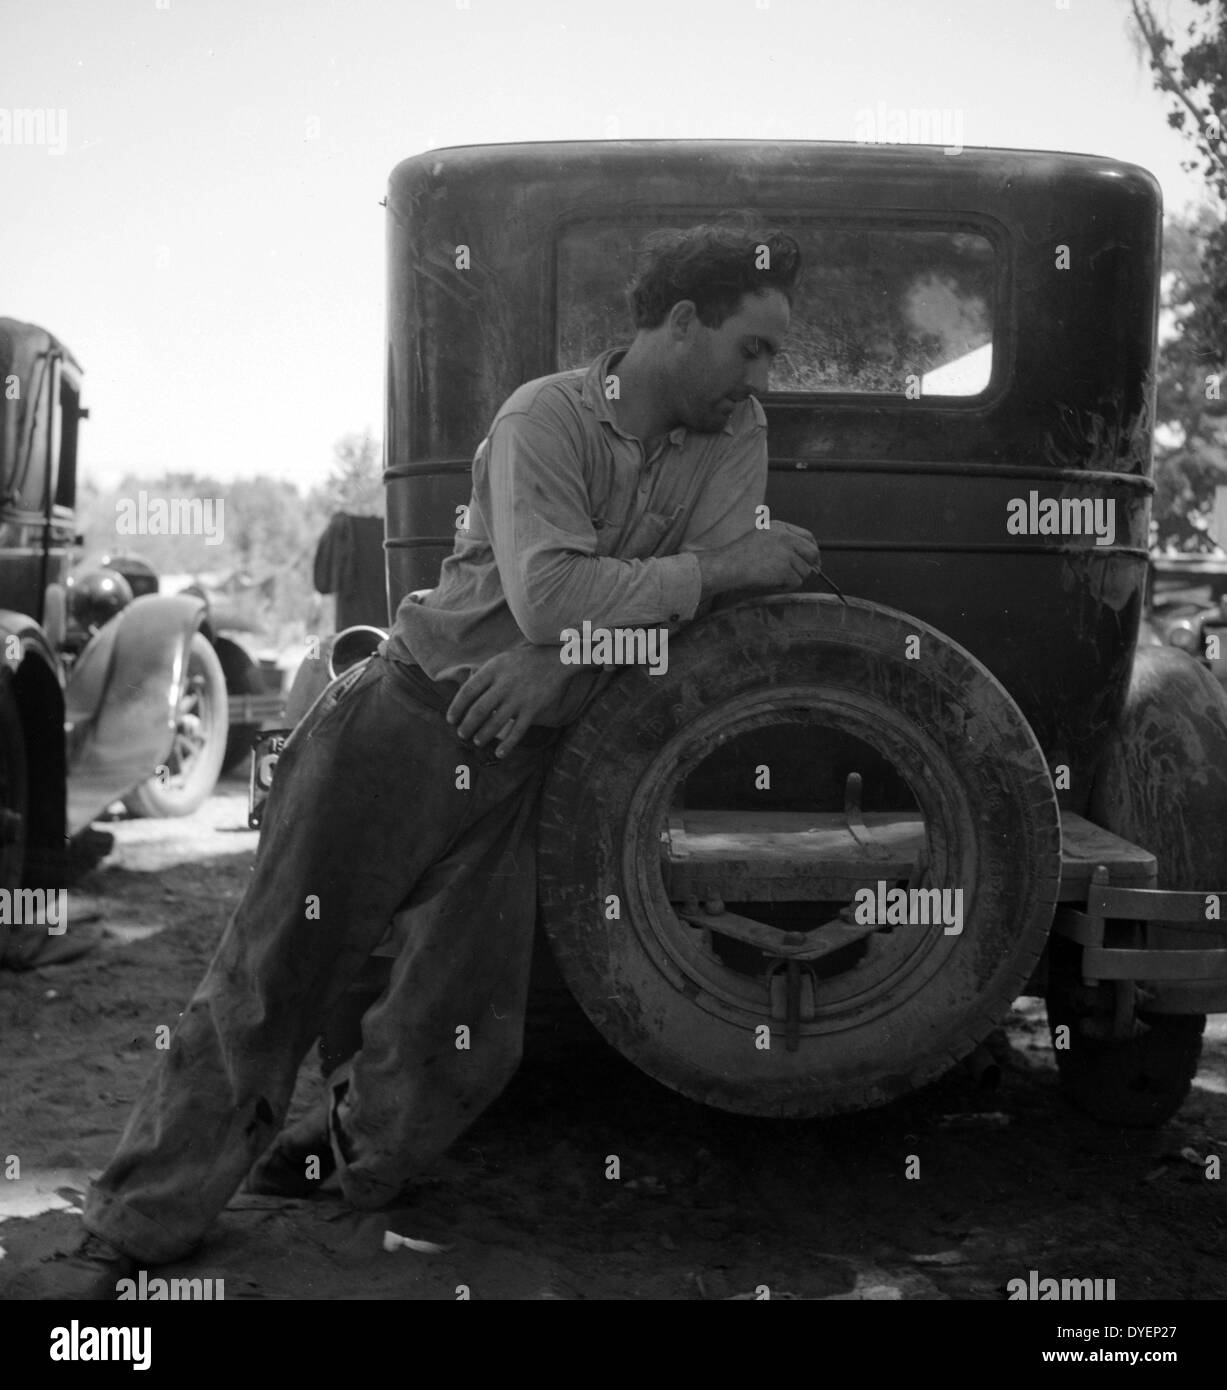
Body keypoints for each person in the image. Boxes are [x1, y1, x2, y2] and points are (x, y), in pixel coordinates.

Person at [40, 223, 820, 1297]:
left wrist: (557, 674)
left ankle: (342, 1173)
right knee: (271, 982)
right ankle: (128, 1228)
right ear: (682, 324)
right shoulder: (542, 419)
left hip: (526, 752)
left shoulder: (734, 433)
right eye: (753, 348)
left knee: (464, 1032)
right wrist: (712, 570)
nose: (761, 379)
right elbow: (560, 595)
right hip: (404, 723)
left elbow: (683, 631)